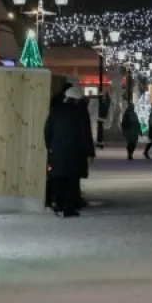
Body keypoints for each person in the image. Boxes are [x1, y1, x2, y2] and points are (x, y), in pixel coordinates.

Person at [43, 87, 94, 217]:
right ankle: (69, 208)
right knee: (72, 181)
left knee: (59, 178)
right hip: (75, 152)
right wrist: (89, 152)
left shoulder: (56, 111)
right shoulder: (81, 112)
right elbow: (86, 134)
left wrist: (50, 146)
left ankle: (59, 204)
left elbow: (47, 130)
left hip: (58, 150)